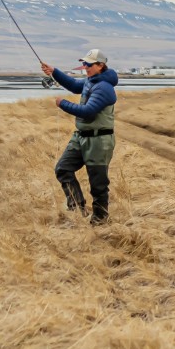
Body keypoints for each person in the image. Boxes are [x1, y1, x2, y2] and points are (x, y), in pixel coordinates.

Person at [41, 48, 118, 222]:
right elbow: (75, 86)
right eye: (84, 63)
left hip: (99, 141)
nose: (85, 67)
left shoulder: (104, 87)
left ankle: (100, 220)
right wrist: (54, 72)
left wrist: (63, 103)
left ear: (100, 65)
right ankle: (76, 209)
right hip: (81, 137)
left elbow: (88, 112)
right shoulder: (92, 80)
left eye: (89, 64)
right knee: (63, 169)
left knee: (98, 184)